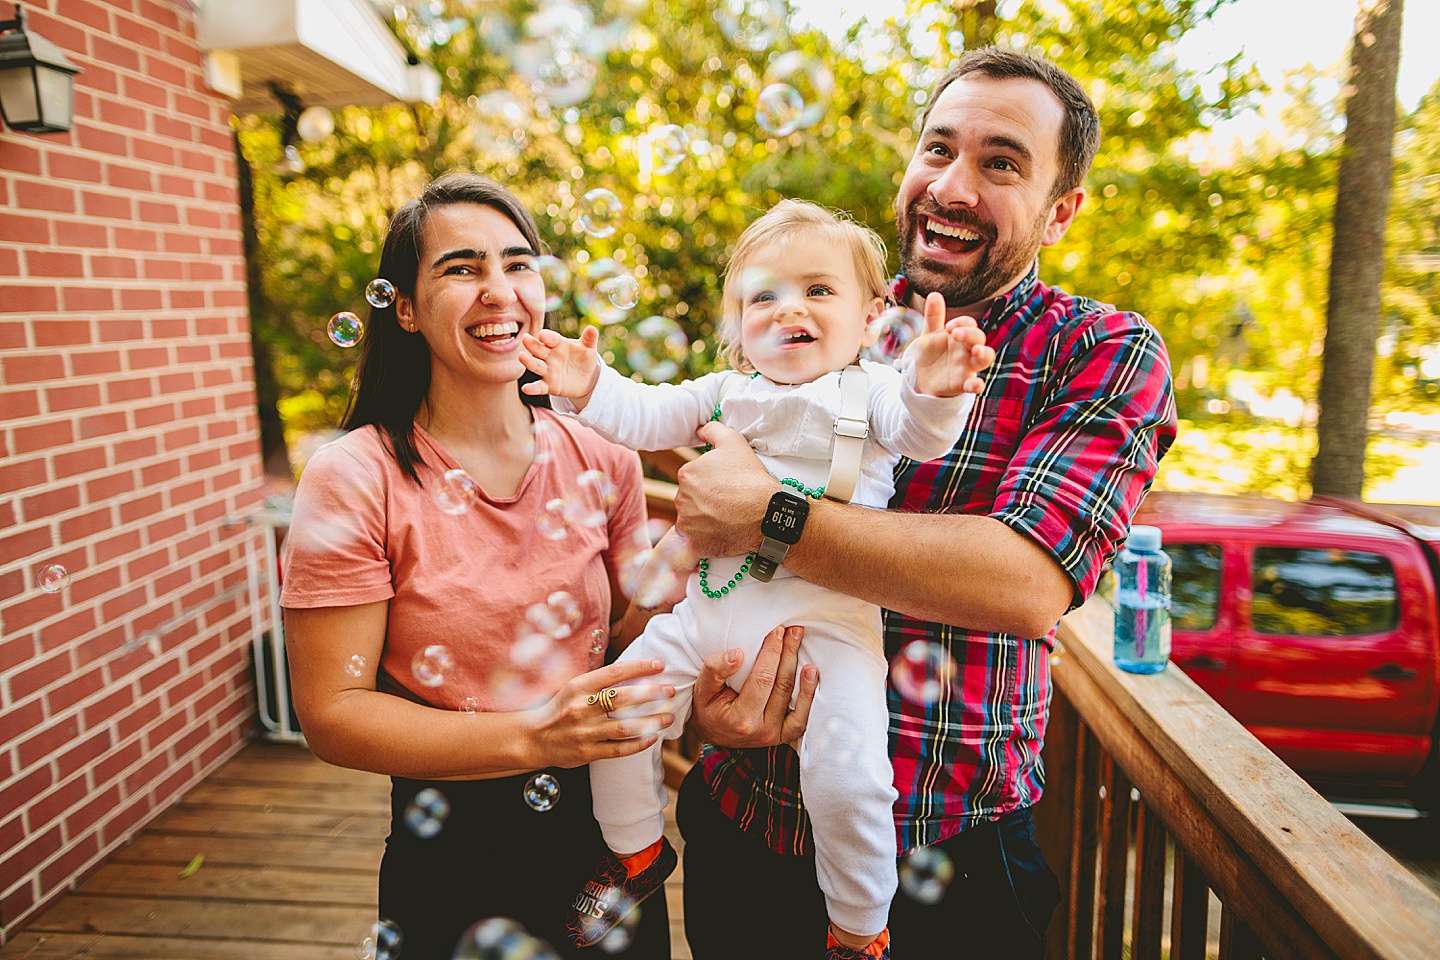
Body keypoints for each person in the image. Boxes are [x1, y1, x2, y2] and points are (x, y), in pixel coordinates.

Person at [670, 48, 1179, 959]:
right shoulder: (812, 316)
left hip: (953, 856)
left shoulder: (1102, 351)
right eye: (937, 149)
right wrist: (702, 704)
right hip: (745, 816)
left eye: (1001, 163)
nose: (951, 185)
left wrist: (770, 517)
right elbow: (701, 533)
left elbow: (1025, 581)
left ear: (1062, 211)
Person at [518, 199, 994, 958]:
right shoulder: (723, 391)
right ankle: (636, 848)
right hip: (710, 615)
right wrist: (591, 384)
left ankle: (859, 928)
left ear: (874, 314)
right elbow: (643, 415)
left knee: (850, 779)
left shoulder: (868, 390)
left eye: (817, 290)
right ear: (737, 323)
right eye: (762, 296)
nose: (788, 309)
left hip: (826, 626)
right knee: (614, 705)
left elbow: (917, 431)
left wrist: (934, 387)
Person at [280, 173, 687, 960]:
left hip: (611, 830)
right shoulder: (354, 478)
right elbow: (332, 712)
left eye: (518, 263)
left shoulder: (605, 454)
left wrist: (698, 542)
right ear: (403, 308)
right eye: (461, 268)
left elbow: (634, 636)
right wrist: (538, 738)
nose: (499, 290)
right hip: (452, 847)